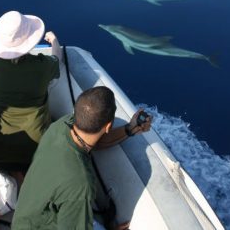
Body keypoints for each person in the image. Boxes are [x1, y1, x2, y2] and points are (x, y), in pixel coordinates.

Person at [11, 86, 152, 230]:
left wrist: (129, 129)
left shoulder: (61, 126)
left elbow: (96, 141)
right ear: (108, 126)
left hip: (27, 218)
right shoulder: (80, 183)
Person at [0, 10, 62, 172]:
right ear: (30, 39)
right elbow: (57, 60)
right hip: (37, 146)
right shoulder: (42, 65)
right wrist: (54, 41)